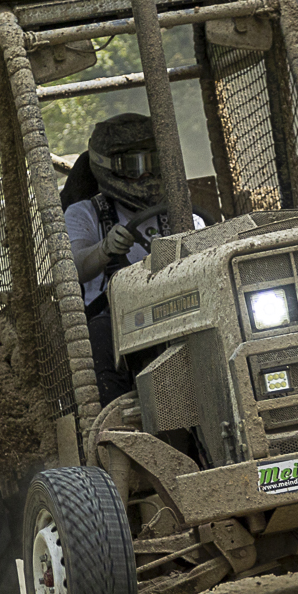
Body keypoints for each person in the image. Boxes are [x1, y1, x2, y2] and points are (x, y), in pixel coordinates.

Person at [66, 113, 203, 404]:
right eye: (134, 166)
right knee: (99, 335)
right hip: (116, 316)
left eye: (151, 164)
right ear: (108, 168)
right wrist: (104, 249)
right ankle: (115, 417)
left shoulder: (183, 215)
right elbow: (75, 268)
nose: (145, 175)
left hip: (178, 306)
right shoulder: (84, 213)